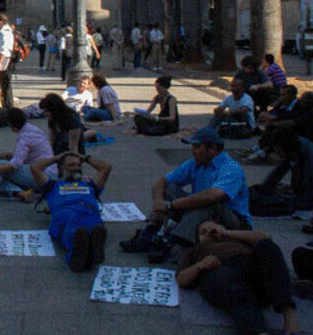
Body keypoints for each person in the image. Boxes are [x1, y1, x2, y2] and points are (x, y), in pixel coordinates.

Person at [124, 128, 251, 260]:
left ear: (212, 149)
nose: (192, 150)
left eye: (196, 146)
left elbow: (212, 196)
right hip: (201, 214)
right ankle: (150, 233)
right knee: (169, 189)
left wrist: (170, 205)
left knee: (208, 203)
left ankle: (172, 241)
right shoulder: (195, 163)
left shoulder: (231, 168)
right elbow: (161, 183)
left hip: (234, 221)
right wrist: (159, 206)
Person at [175, 220, 299, 335]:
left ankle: (290, 317)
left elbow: (265, 238)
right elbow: (181, 279)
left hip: (251, 271)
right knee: (224, 280)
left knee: (268, 247)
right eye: (203, 232)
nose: (209, 233)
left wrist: (225, 232)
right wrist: (199, 266)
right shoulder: (194, 251)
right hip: (222, 275)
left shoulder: (237, 239)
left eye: (213, 230)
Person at [30, 152, 112, 271]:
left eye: (79, 165)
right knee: (73, 228)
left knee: (95, 225)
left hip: (88, 211)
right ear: (61, 168)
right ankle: (77, 255)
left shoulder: (90, 184)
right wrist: (57, 158)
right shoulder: (52, 185)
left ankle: (94, 248)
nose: (76, 168)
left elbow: (106, 167)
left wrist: (85, 157)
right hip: (65, 212)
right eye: (72, 165)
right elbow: (35, 167)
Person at [0, 108, 57, 203]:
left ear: (10, 125)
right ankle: (19, 192)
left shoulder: (25, 138)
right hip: (49, 173)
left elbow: (15, 165)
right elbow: (28, 155)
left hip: (42, 175)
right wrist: (10, 156)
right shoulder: (34, 130)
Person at [257, 128, 313, 211]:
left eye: (280, 152)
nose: (279, 155)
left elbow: (308, 197)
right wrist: (263, 189)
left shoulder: (309, 155)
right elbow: (278, 172)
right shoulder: (294, 148)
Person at [0, 15, 15, 107]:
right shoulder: (2, 32)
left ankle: (9, 106)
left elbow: (5, 49)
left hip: (5, 62)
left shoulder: (6, 33)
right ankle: (6, 104)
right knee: (4, 85)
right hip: (3, 62)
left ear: (1, 22)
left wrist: (0, 63)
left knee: (6, 85)